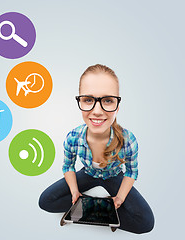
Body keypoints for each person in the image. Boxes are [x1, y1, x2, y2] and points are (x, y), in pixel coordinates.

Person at [38, 64, 155, 234]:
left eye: (107, 100)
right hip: (88, 174)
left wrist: (120, 198)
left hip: (114, 177)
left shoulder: (128, 140)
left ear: (117, 104)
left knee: (145, 223)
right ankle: (91, 207)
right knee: (45, 201)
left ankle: (87, 210)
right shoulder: (73, 137)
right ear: (79, 101)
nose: (97, 111)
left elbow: (131, 172)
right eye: (88, 100)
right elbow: (68, 167)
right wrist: (74, 191)